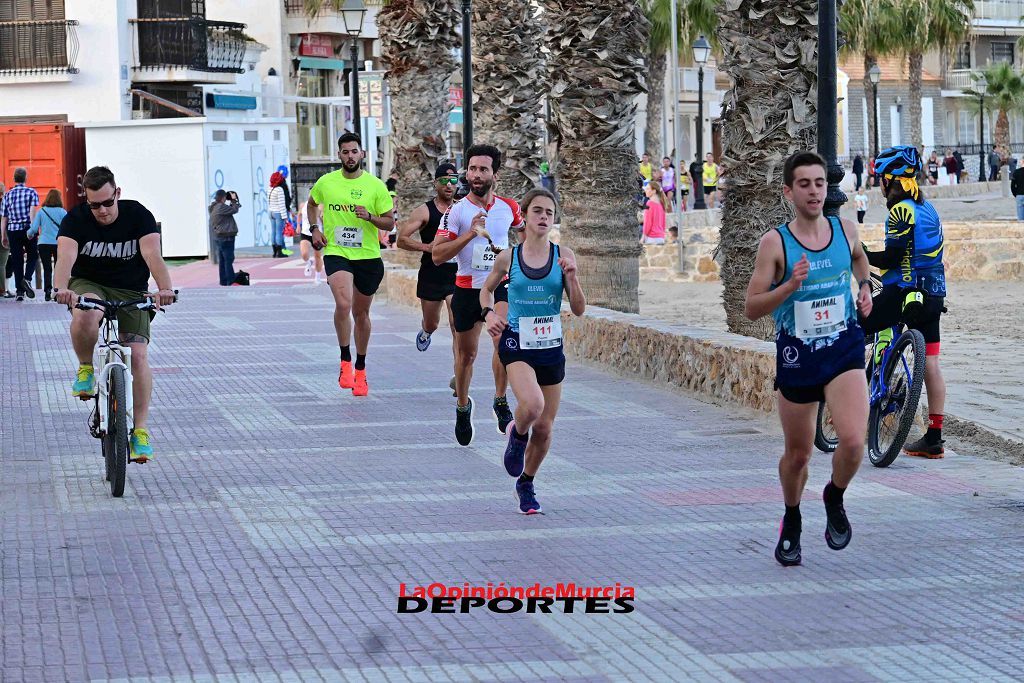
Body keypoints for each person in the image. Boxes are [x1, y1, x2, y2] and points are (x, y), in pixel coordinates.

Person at [744, 150, 873, 567]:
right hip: (798, 355)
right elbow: (752, 306)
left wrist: (866, 286)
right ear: (789, 191)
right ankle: (792, 517)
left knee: (854, 440)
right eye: (805, 184)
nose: (814, 191)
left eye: (820, 183)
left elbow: (858, 260)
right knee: (798, 455)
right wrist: (789, 286)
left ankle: (834, 494)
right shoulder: (775, 242)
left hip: (843, 348)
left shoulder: (845, 230)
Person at [52, 166, 176, 461]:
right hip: (89, 284)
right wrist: (61, 288)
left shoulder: (138, 215)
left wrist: (165, 288)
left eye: (108, 202)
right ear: (87, 200)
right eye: (95, 205)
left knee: (138, 354)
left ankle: (141, 432)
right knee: (86, 312)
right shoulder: (76, 220)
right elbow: (66, 257)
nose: (103, 211)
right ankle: (85, 367)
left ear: (117, 193)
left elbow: (151, 254)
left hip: (131, 290)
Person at [481, 188, 586, 514]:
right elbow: (486, 291)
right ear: (524, 216)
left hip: (550, 346)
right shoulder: (508, 258)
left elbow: (579, 309)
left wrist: (574, 279)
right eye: (537, 211)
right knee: (533, 404)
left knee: (545, 428)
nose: (543, 217)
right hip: (517, 343)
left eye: (549, 213)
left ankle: (526, 482)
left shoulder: (562, 255)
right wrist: (489, 314)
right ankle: (516, 430)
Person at [860, 145, 948, 459]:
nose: (877, 183)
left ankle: (850, 399)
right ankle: (934, 437)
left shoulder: (900, 211)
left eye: (879, 177)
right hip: (934, 294)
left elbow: (895, 257)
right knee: (932, 364)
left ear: (888, 179)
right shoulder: (929, 209)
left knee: (857, 326)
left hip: (904, 293)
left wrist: (862, 253)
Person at [431, 144, 522, 445]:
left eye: (483, 169)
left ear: (495, 174)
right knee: (466, 355)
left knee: (503, 341)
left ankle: (500, 400)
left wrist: (519, 259)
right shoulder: (457, 212)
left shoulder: (508, 208)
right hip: (467, 287)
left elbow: (523, 234)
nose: (476, 175)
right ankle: (462, 406)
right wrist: (470, 233)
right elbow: (437, 256)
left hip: (499, 285)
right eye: (472, 169)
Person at [308, 132, 394, 397]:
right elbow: (312, 204)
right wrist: (314, 229)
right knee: (343, 304)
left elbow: (390, 223)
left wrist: (369, 217)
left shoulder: (376, 186)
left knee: (361, 314)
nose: (350, 156)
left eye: (354, 151)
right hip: (337, 252)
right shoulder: (327, 182)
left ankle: (361, 368)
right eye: (345, 152)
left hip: (368, 256)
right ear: (339, 155)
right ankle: (345, 360)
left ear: (362, 154)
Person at [398, 162, 460, 355]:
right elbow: (401, 239)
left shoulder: (462, 209)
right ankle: (426, 331)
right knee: (432, 322)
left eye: (453, 180)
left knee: (456, 324)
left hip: (456, 275)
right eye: (444, 181)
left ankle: (459, 370)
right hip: (431, 275)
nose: (449, 185)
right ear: (435, 184)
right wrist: (426, 247)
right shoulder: (424, 211)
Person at [0, 167, 40, 301]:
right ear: (26, 178)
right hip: (27, 228)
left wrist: (3, 236)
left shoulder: (8, 195)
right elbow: (32, 213)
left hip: (13, 230)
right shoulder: (31, 192)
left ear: (14, 179)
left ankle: (19, 292)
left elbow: (4, 217)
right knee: (33, 255)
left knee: (17, 260)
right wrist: (32, 230)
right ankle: (27, 279)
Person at [28, 189, 67, 300]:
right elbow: (68, 228)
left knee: (47, 268)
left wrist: (28, 234)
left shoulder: (42, 211)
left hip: (43, 243)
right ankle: (56, 291)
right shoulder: (63, 212)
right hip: (58, 243)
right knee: (57, 268)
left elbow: (34, 228)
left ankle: (47, 291)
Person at [209, 190, 240, 286]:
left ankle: (223, 281)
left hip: (219, 237)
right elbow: (235, 210)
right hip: (226, 237)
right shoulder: (221, 207)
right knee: (228, 259)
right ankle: (230, 281)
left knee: (222, 260)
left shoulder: (213, 207)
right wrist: (234, 200)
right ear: (223, 197)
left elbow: (230, 210)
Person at [297, 195, 325, 284]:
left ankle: (318, 276)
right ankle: (308, 262)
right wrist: (298, 226)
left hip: (317, 233)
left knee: (317, 256)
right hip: (305, 232)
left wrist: (320, 215)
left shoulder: (320, 205)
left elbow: (323, 218)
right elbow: (299, 214)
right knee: (304, 253)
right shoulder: (302, 205)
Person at [269, 172, 289, 258]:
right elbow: (281, 204)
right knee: (279, 233)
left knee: (273, 232)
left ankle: (274, 252)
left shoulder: (270, 188)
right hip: (278, 212)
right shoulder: (279, 189)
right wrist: (285, 217)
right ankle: (279, 252)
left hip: (271, 212)